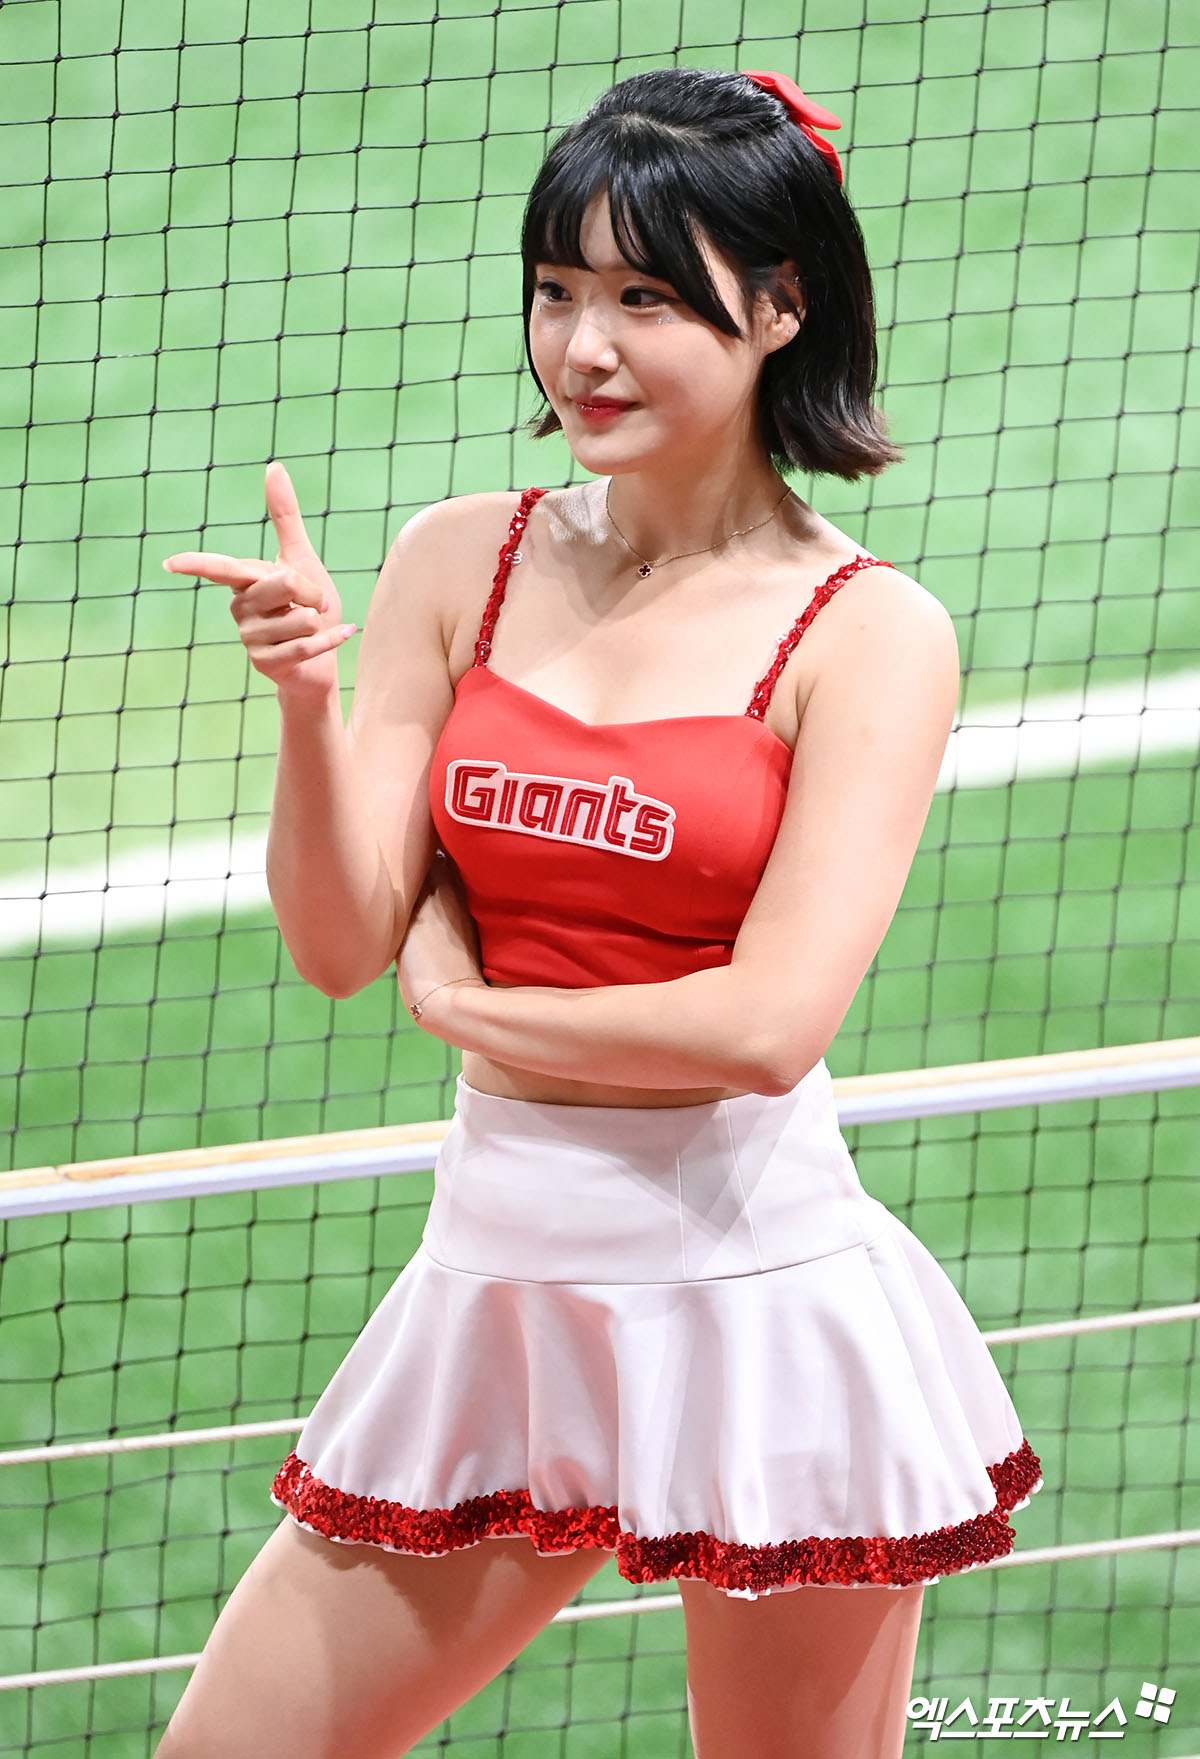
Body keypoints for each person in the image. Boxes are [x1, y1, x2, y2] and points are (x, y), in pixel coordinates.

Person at [155, 65, 1042, 1759]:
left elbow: (765, 1027)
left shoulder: (872, 633)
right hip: (496, 1286)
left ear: (780, 307)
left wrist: (470, 1009)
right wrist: (306, 703)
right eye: (558, 291)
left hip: (759, 1300)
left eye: (646, 298)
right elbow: (341, 943)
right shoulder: (458, 558)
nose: (584, 348)